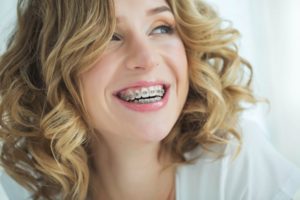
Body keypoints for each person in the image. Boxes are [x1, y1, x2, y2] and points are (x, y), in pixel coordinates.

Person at [0, 0, 300, 199]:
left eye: (161, 28)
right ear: (52, 67)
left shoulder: (235, 164)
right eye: (109, 37)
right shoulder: (25, 189)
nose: (146, 58)